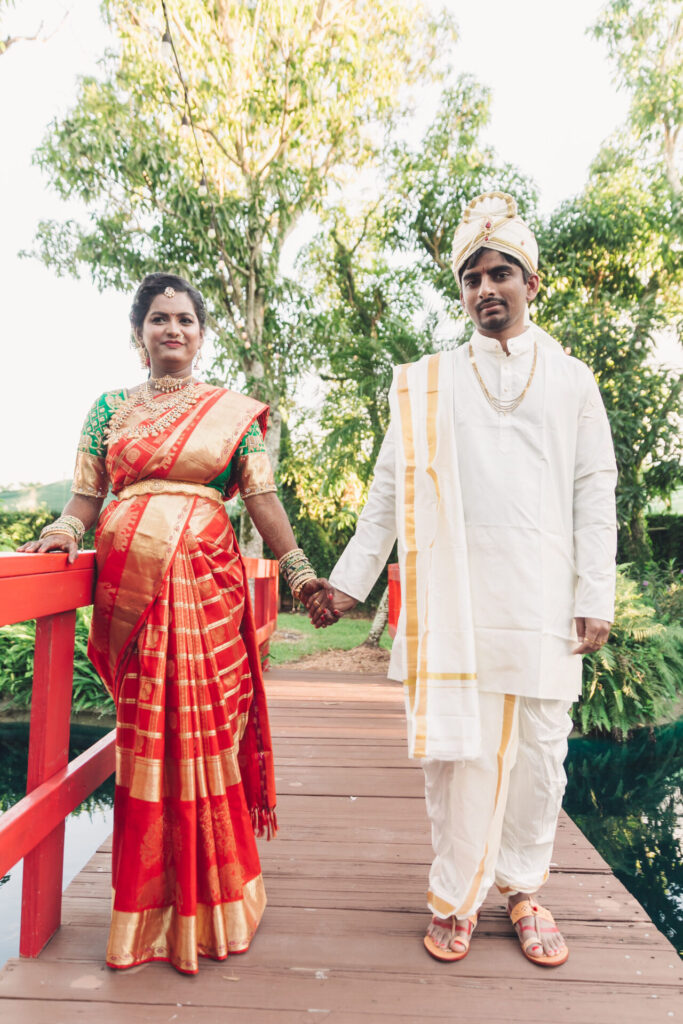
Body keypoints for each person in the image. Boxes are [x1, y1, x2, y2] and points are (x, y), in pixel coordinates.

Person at [310, 192, 617, 967]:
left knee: (539, 756)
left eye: (500, 273)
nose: (485, 289)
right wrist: (348, 584)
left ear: (531, 282)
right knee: (459, 759)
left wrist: (594, 595)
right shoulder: (427, 382)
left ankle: (522, 890)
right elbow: (387, 490)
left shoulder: (572, 380)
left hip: (544, 597)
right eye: (471, 278)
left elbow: (594, 491)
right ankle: (455, 896)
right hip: (458, 602)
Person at [19, 272, 329, 974]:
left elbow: (262, 498)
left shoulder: (232, 413)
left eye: (185, 319)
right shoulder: (108, 408)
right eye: (159, 318)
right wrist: (64, 531)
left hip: (208, 588)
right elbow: (86, 495)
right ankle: (151, 911)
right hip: (132, 594)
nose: (173, 329)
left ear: (201, 333)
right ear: (139, 333)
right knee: (146, 737)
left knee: (207, 731)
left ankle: (220, 899)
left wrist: (300, 573)